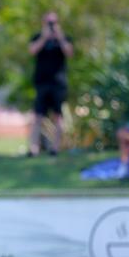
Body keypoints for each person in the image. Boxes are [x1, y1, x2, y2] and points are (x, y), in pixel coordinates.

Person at [28, 11, 74, 156]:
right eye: (49, 23)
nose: (51, 26)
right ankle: (33, 149)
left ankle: (55, 148)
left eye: (53, 23)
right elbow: (32, 50)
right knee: (37, 116)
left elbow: (69, 53)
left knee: (58, 116)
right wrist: (44, 37)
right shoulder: (38, 37)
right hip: (42, 83)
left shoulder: (64, 38)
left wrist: (59, 37)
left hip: (58, 83)